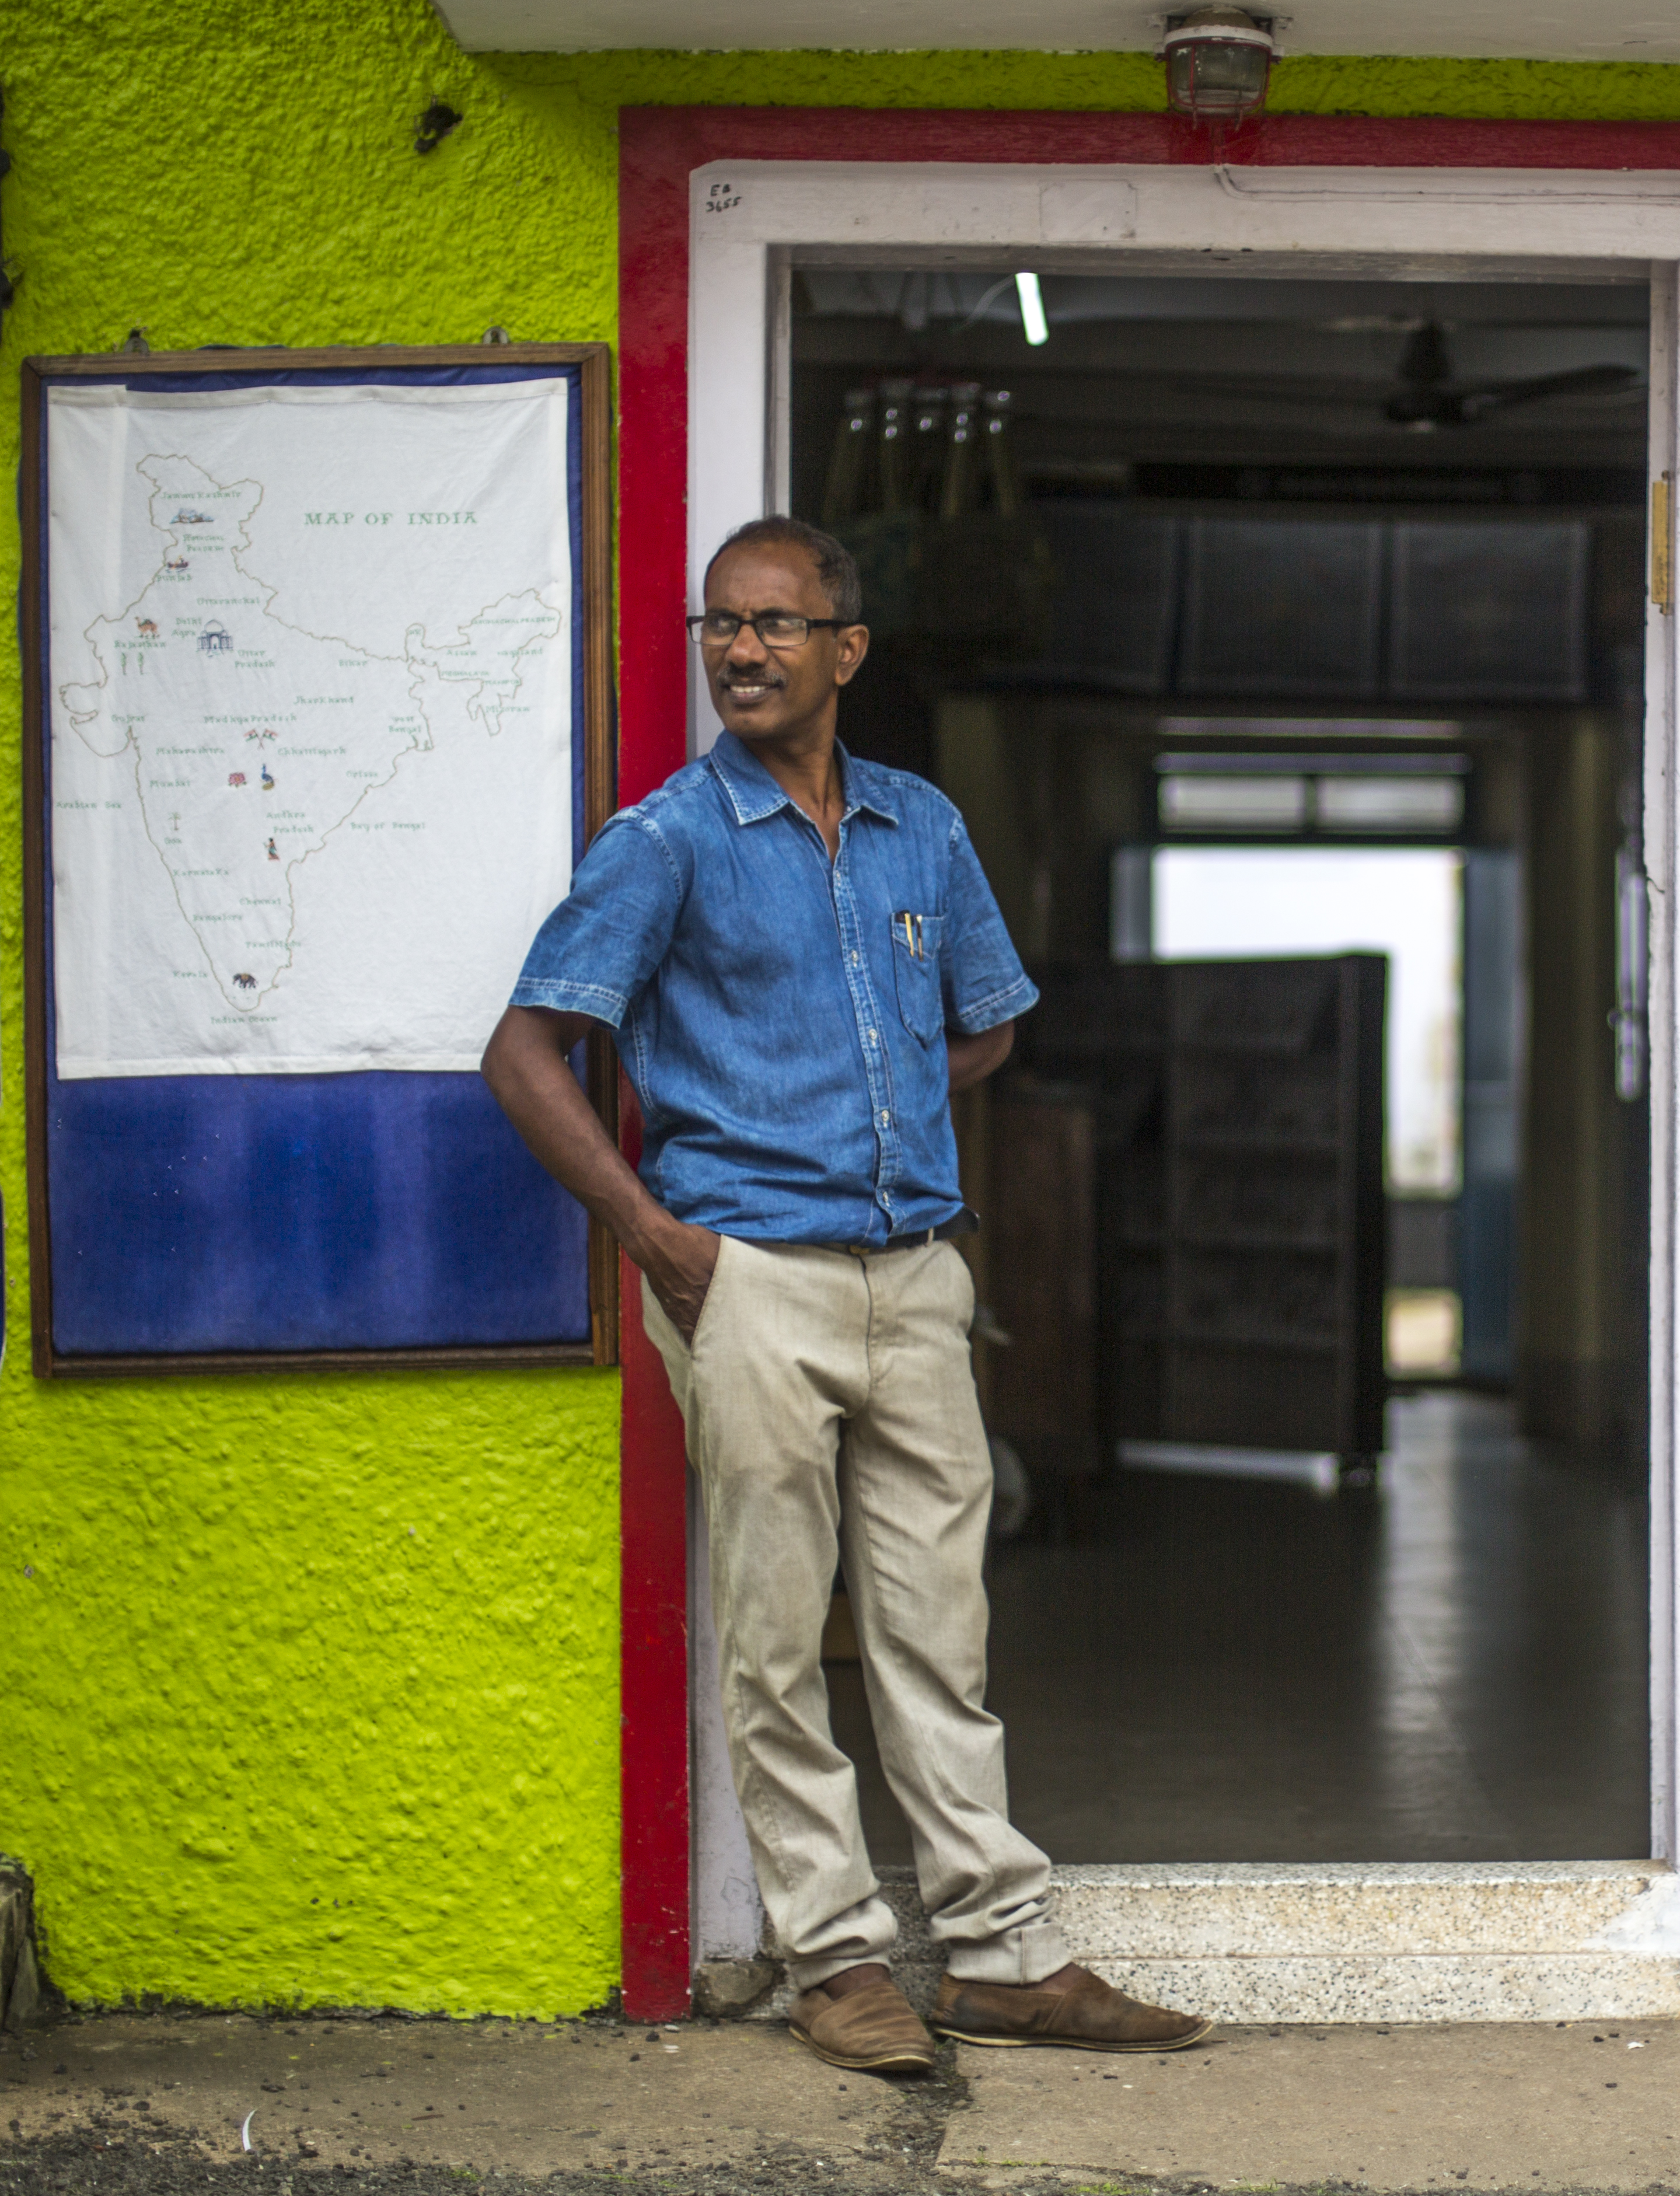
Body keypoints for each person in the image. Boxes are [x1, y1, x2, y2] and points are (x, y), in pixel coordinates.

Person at [481, 515, 1211, 2073]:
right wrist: (657, 1236)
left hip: (914, 1280)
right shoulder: (666, 840)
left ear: (844, 649)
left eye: (774, 624)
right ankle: (832, 1954)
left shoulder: (919, 830)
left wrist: (871, 1110)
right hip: (751, 1278)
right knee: (769, 1634)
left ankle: (1001, 1950)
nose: (740, 651)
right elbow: (523, 1054)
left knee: (939, 1629)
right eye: (720, 626)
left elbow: (992, 1025)